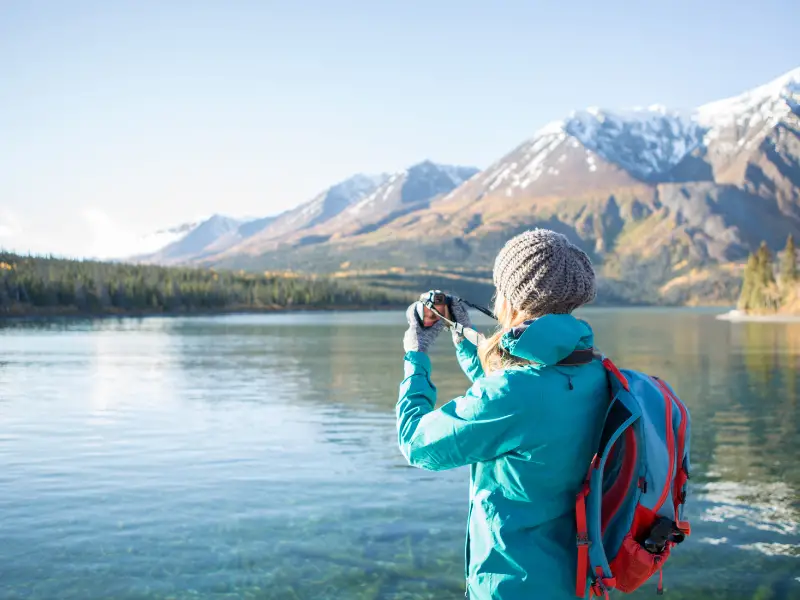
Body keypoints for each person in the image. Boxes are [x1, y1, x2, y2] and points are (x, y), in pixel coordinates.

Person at [396, 228, 609, 600]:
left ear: (513, 296)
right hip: (576, 580)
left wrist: (416, 355)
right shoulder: (595, 370)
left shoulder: (514, 394)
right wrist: (463, 336)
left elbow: (416, 444)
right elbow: (522, 405)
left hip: (512, 587)